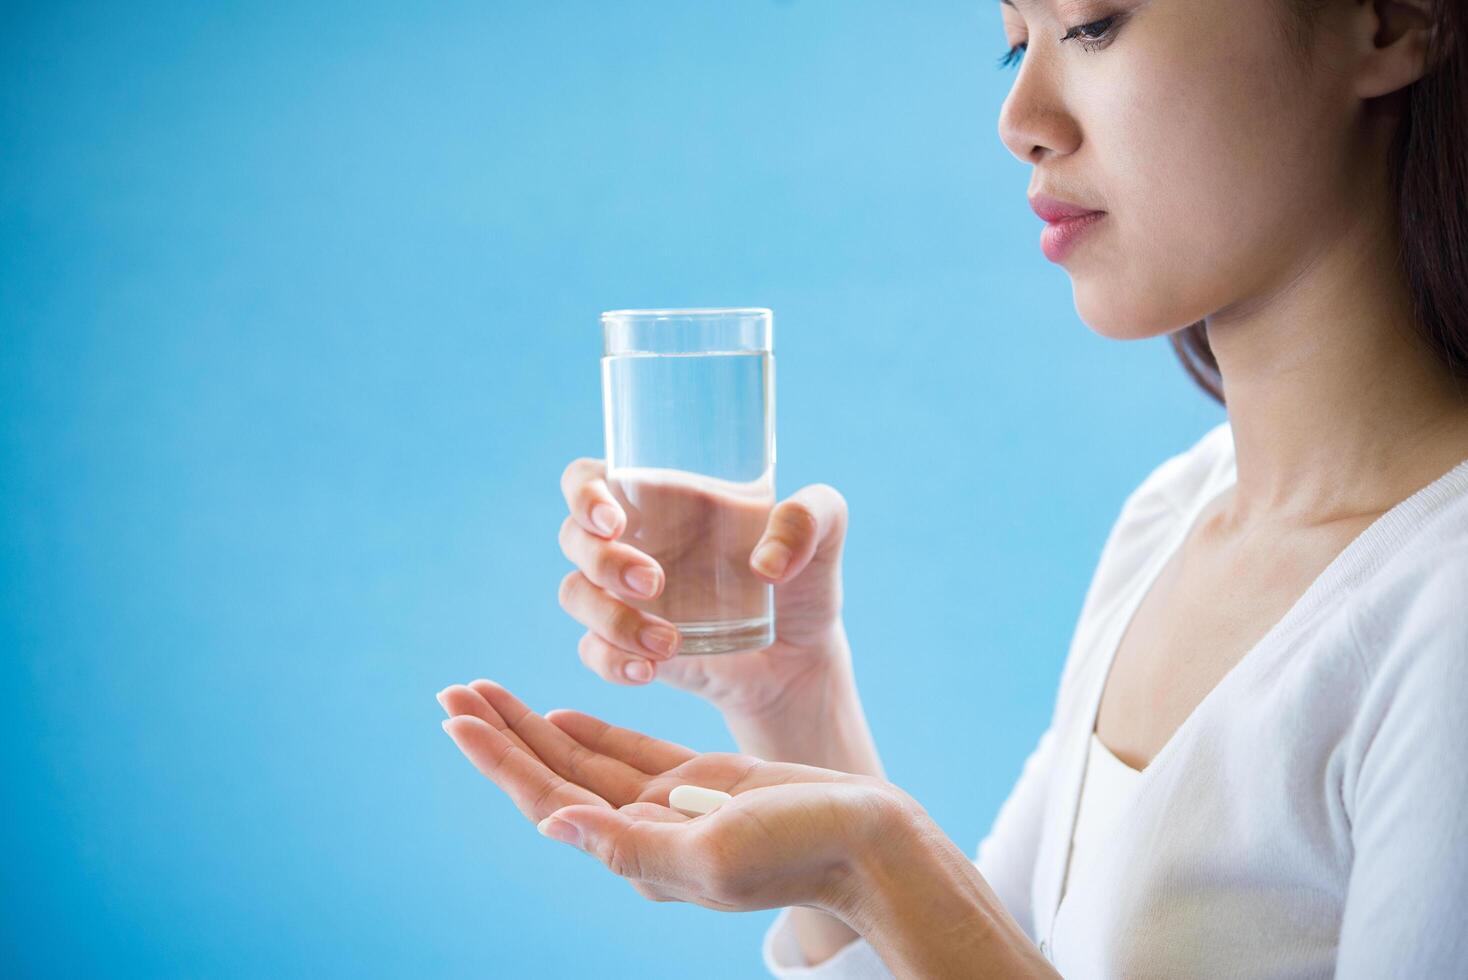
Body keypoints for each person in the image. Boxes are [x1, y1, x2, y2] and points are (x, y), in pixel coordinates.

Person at [437, 0, 1468, 974]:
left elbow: (933, 911)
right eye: (1017, 43)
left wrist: (874, 861)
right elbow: (992, 948)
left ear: (1390, 19)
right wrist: (794, 704)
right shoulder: (1175, 515)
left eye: (1093, 24)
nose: (1020, 119)